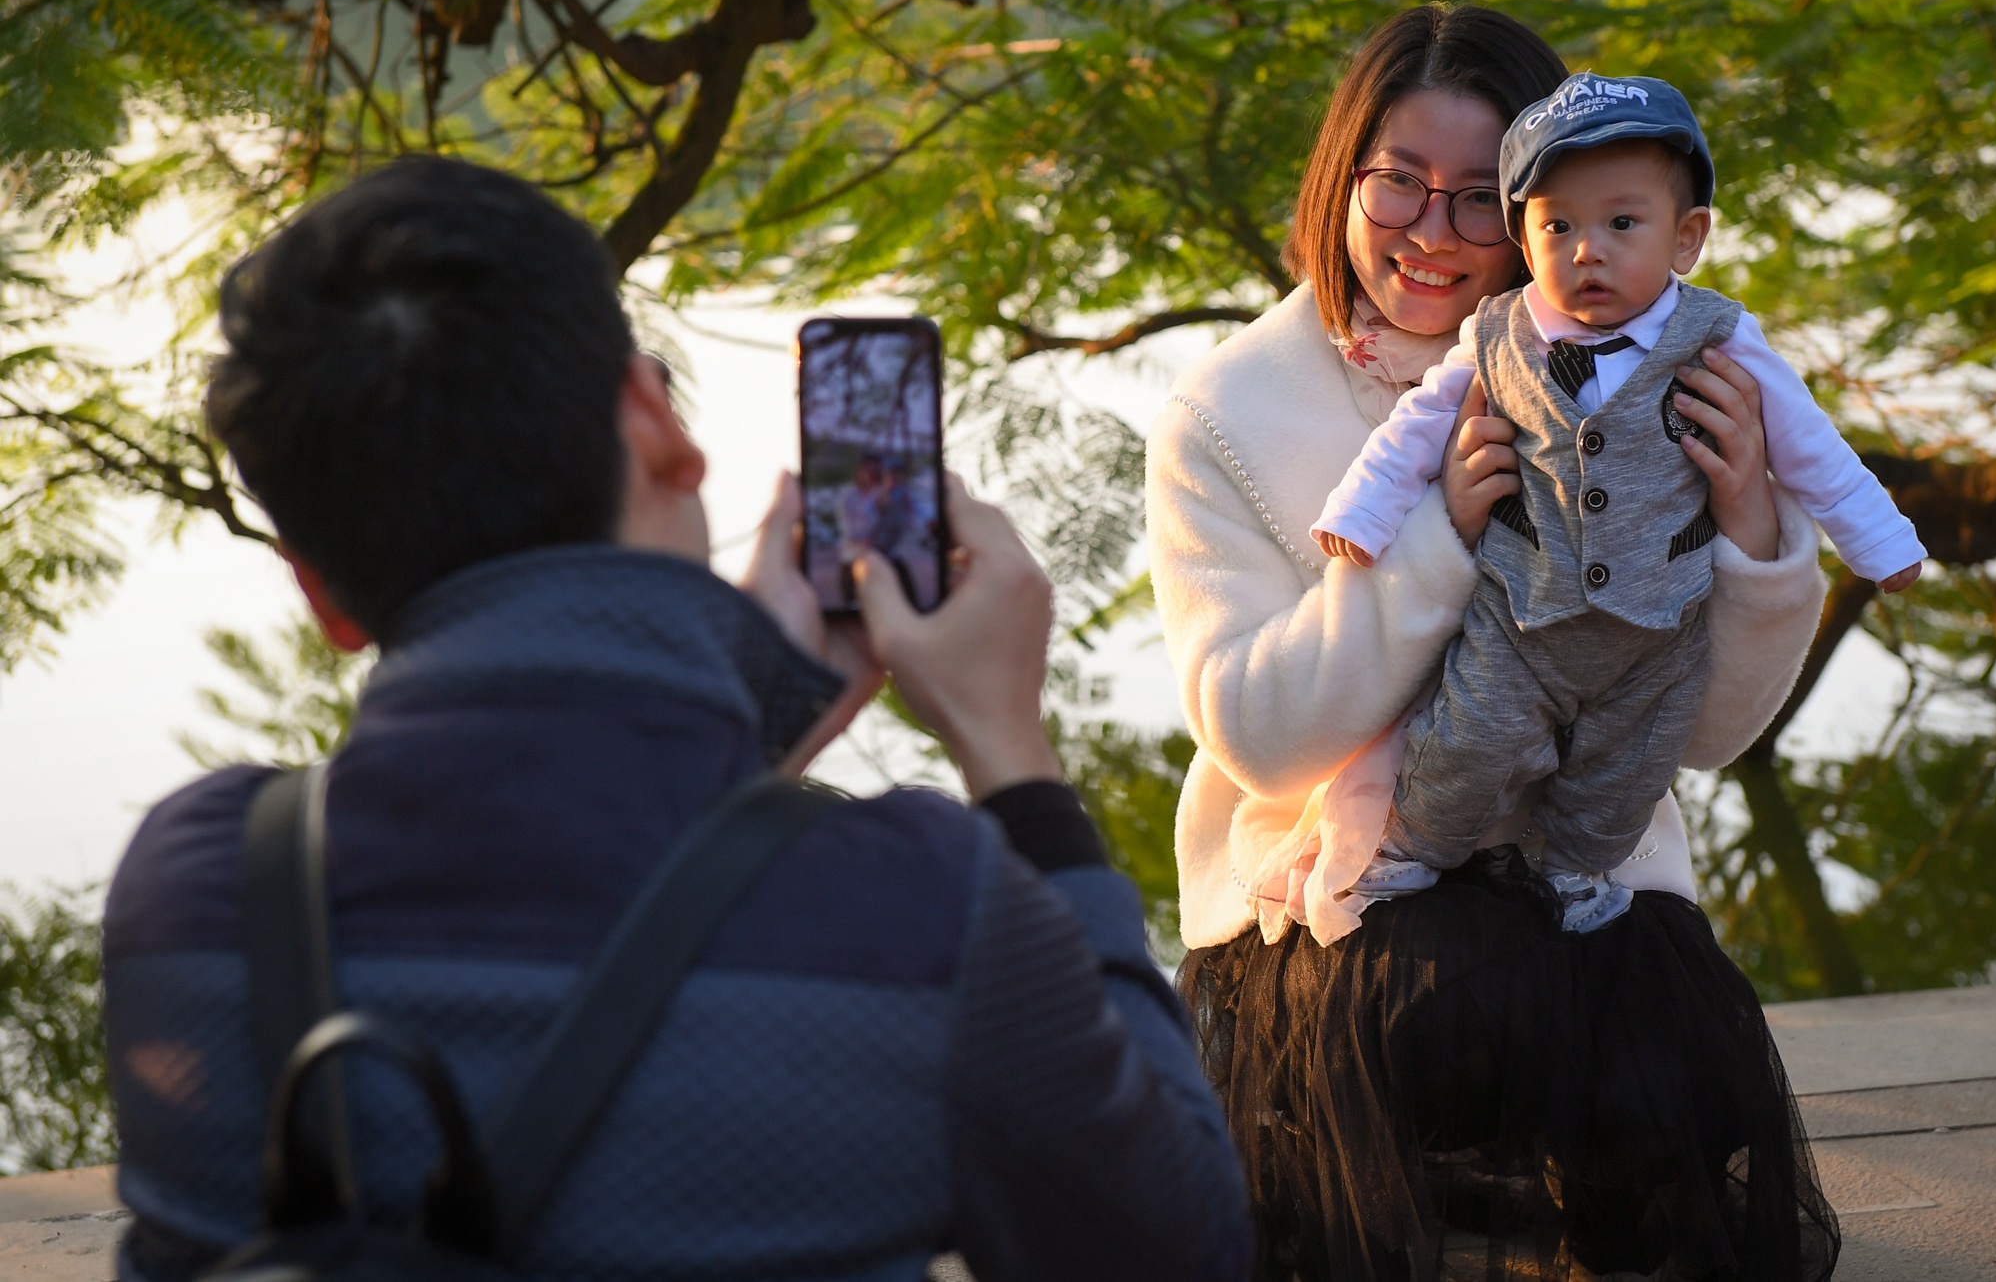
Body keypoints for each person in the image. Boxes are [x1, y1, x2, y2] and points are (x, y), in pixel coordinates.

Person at [100, 157, 1252, 1282]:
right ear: (656, 421)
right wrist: (1011, 755)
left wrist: (741, 715)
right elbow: (1181, 1244)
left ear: (322, 597)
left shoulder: (198, 887)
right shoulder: (927, 911)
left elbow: (580, 895)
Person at [1147, 6, 1841, 1278]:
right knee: (1438, 992)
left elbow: (1706, 737)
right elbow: (1254, 737)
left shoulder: (1651, 374)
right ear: (1340, 177)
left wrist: (1750, 532)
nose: (1432, 232)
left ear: (1540, 207)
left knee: (1655, 1067)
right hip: (1326, 870)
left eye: (1479, 198)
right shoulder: (1227, 409)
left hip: (1576, 845)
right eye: (1397, 182)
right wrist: (1433, 541)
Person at [1307, 71, 1925, 933]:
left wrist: (1882, 544)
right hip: (1519, 618)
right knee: (1466, 740)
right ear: (1525, 241)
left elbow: (1811, 447)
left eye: (1621, 224)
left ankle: (1571, 871)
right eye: (1558, 226)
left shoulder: (1719, 337)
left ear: (1687, 237)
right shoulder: (1495, 334)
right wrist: (1360, 514)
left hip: (1658, 631)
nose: (1587, 250)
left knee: (1627, 770)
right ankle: (1409, 850)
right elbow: (1414, 433)